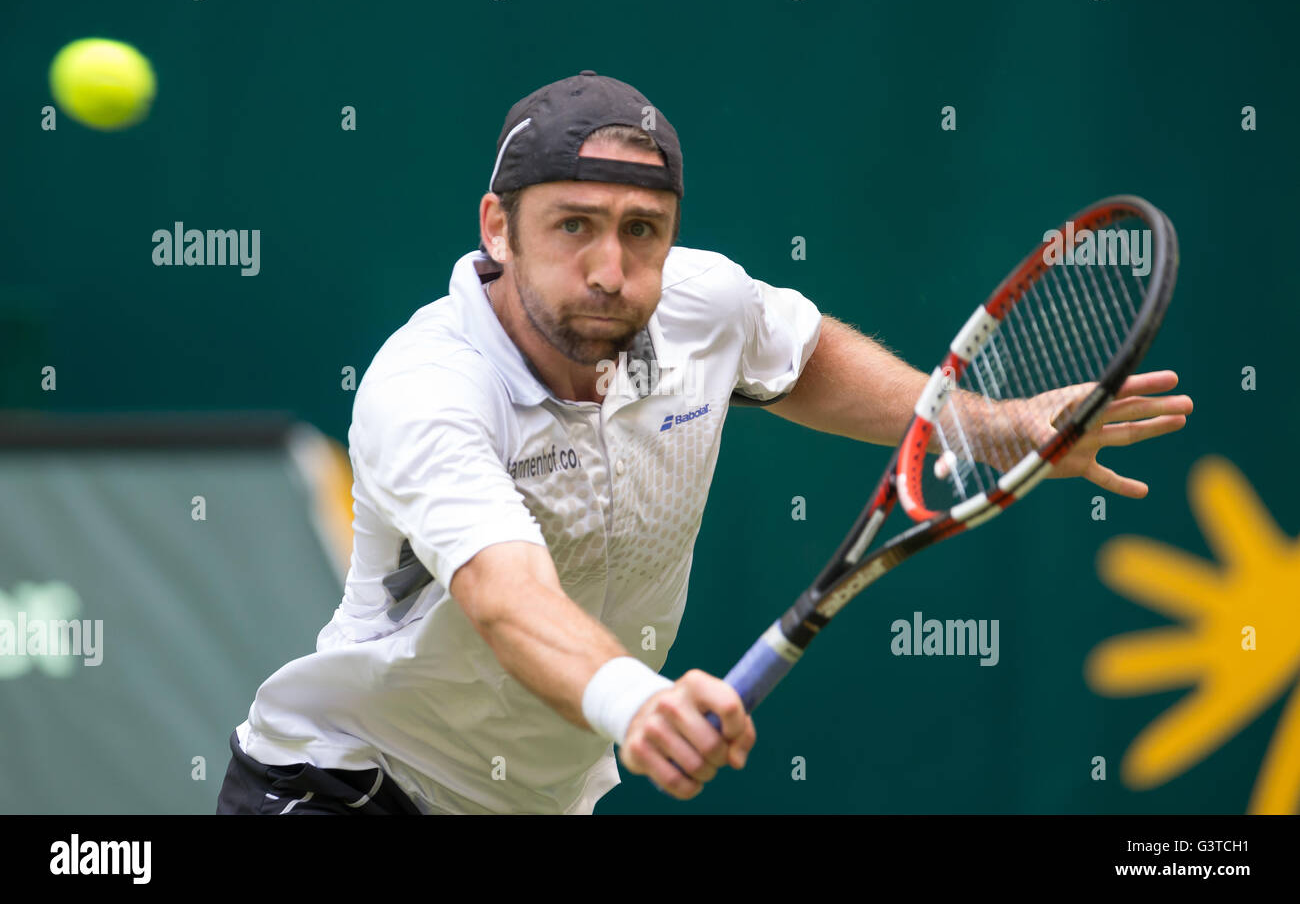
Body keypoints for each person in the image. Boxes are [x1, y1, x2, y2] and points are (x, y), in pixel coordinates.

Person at [216, 71, 1192, 814]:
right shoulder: (426, 388)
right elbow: (508, 600)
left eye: (644, 230)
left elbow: (800, 356)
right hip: (347, 784)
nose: (611, 267)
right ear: (498, 228)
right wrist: (636, 702)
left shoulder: (700, 301)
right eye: (573, 226)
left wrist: (987, 423)